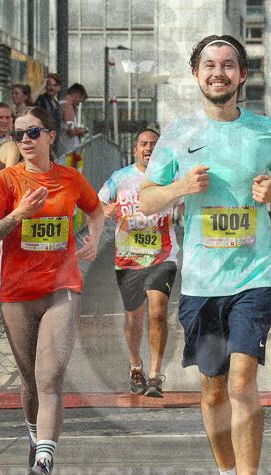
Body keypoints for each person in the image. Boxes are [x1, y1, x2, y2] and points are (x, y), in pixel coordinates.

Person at [138, 34, 271, 475]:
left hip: (255, 275)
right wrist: (179, 189)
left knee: (241, 384)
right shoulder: (178, 133)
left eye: (228, 65)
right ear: (196, 75)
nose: (219, 72)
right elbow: (146, 200)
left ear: (242, 76)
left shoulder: (262, 130)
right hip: (204, 283)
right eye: (209, 65)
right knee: (211, 392)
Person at [0, 106, 105, 475]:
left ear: (51, 136)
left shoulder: (69, 178)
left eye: (33, 133)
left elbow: (95, 210)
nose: (26, 141)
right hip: (16, 295)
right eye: (19, 135)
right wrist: (18, 214)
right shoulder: (5, 181)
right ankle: (36, 440)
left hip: (61, 289)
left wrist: (95, 239)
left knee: (50, 378)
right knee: (30, 381)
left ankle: (44, 462)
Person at [99, 129, 181, 397]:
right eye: (143, 144)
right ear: (135, 150)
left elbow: (187, 207)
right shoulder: (120, 178)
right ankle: (136, 366)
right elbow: (96, 204)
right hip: (128, 258)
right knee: (134, 319)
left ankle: (156, 376)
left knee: (157, 312)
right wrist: (105, 210)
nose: (148, 148)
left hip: (163, 256)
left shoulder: (172, 178)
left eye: (154, 145)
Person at [31, 73, 65, 140]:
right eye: (49, 84)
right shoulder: (41, 99)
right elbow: (31, 99)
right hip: (42, 138)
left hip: (53, 141)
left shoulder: (57, 105)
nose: (51, 88)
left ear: (59, 88)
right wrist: (43, 85)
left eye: (54, 85)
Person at [59, 83, 89, 158]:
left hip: (65, 150)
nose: (79, 104)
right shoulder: (67, 107)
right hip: (68, 152)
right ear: (76, 95)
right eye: (80, 101)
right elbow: (71, 131)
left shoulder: (60, 105)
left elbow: (68, 127)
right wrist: (84, 130)